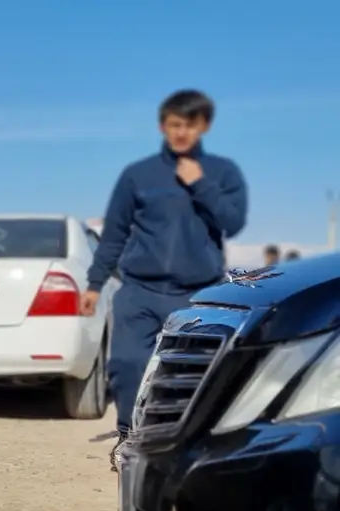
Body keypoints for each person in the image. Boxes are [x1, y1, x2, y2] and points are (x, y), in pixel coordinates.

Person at [79, 89, 248, 473]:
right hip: (139, 290)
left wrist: (201, 185)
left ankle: (183, 445)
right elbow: (114, 234)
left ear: (203, 126)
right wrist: (94, 284)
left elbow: (233, 222)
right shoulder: (137, 175)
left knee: (190, 373)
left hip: (197, 293)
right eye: (175, 125)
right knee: (126, 364)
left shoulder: (223, 173)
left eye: (190, 125)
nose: (182, 132)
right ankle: (129, 438)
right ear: (163, 126)